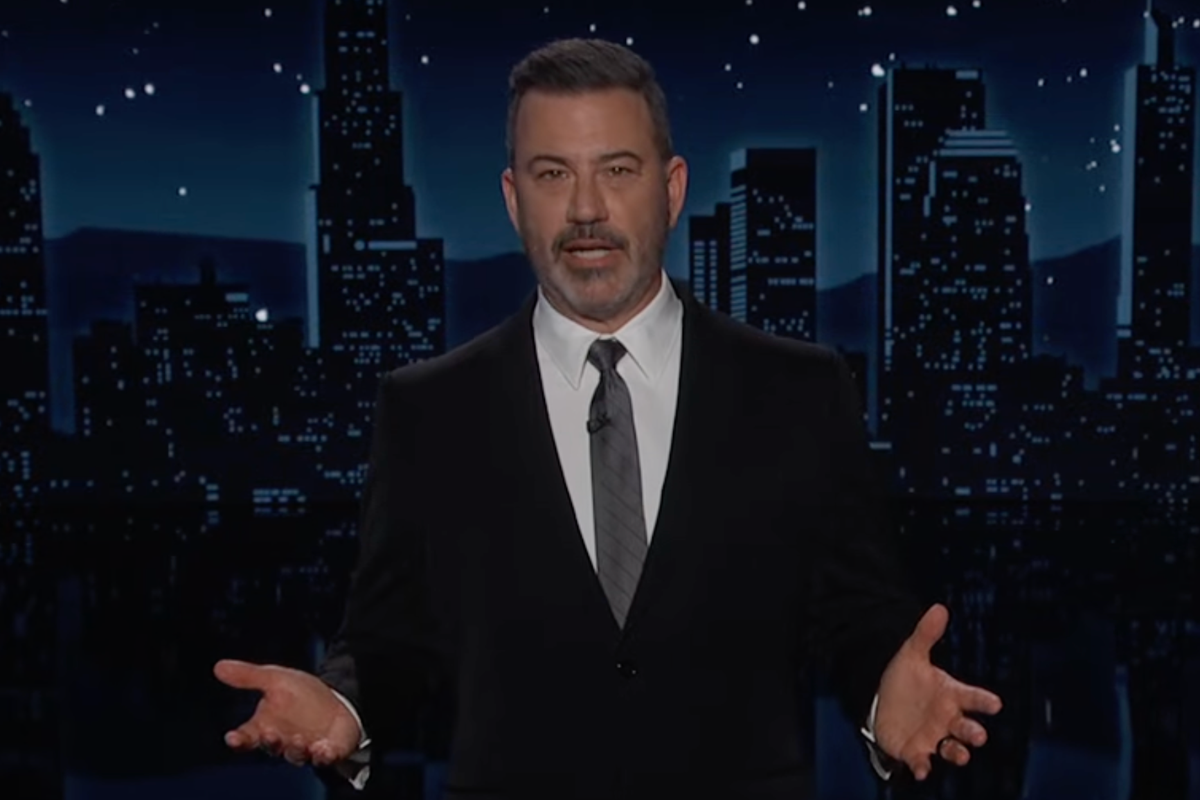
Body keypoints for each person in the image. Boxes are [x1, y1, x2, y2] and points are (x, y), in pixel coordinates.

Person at [214, 37, 1002, 799]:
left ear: (672, 188)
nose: (586, 209)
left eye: (617, 170)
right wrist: (343, 707)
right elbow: (390, 640)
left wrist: (886, 695)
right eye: (553, 173)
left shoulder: (800, 390)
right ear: (514, 198)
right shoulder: (428, 409)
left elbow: (853, 614)